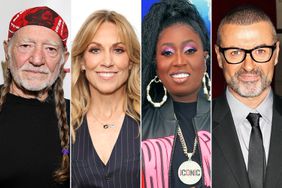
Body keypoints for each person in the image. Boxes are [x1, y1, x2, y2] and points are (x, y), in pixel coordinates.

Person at [142, 0, 211, 187]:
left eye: (190, 50)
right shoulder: (138, 124)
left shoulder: (227, 117)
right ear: (155, 64)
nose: (179, 61)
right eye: (167, 53)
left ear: (205, 58)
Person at [0, 6, 70, 187]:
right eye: (25, 46)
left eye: (50, 49)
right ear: (7, 50)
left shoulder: (81, 117)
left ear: (64, 58)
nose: (37, 60)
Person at [212, 5, 281, 188]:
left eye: (260, 51)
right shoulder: (194, 126)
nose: (248, 66)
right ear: (219, 56)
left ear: (276, 53)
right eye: (235, 52)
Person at [71, 10, 140, 187]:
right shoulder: (66, 124)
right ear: (82, 62)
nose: (107, 61)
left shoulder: (150, 122)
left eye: (118, 50)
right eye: (95, 50)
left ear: (131, 61)